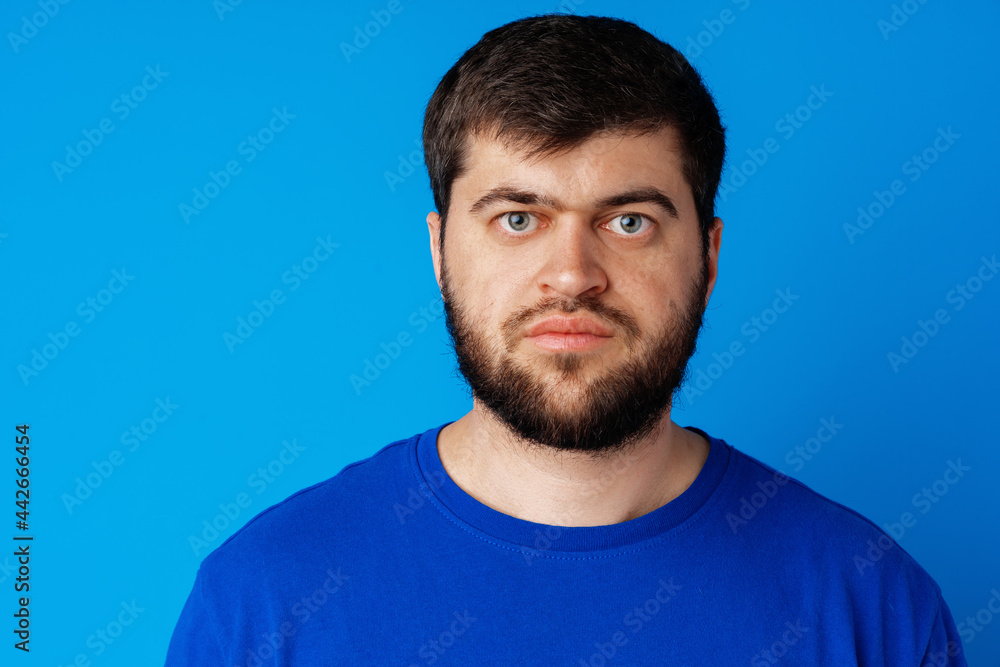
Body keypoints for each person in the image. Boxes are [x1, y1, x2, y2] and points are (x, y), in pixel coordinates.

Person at [166, 14, 967, 665]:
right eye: (519, 218)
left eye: (628, 221)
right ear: (441, 253)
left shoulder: (872, 608)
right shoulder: (265, 604)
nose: (572, 275)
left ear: (709, 256)